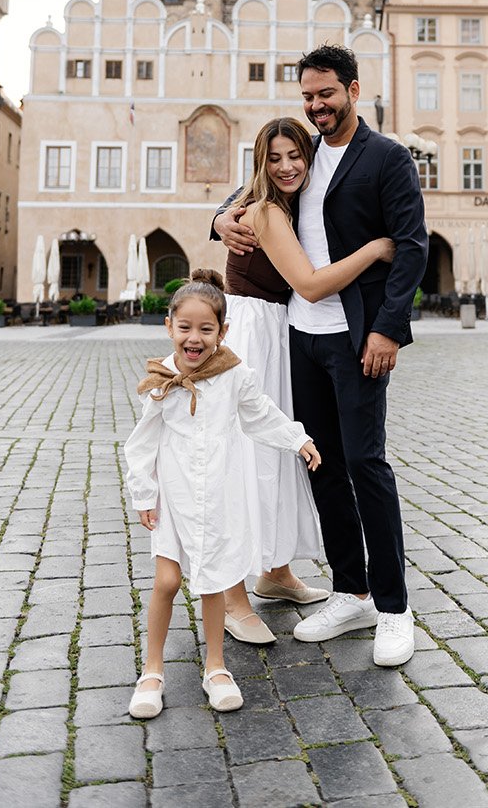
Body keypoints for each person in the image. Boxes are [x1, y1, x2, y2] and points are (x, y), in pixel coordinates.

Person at [215, 45, 428, 667]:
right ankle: (351, 591)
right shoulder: (302, 152)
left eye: (326, 94)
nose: (317, 106)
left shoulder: (387, 158)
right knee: (323, 468)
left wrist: (389, 330)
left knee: (367, 466)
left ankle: (392, 608)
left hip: (356, 337)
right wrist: (218, 217)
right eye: (308, 96)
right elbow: (250, 189)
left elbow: (411, 247)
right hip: (299, 338)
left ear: (353, 90)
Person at [222, 116, 396, 645]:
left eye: (294, 155)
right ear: (260, 163)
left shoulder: (302, 190)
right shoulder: (267, 209)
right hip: (255, 331)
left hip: (285, 329)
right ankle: (231, 597)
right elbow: (311, 283)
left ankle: (274, 575)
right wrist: (376, 249)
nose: (287, 165)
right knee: (244, 458)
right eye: (273, 159)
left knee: (283, 457)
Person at [123, 270, 320, 719]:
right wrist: (144, 495)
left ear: (222, 332)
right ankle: (152, 670)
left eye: (206, 329)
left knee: (213, 580)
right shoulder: (162, 380)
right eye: (185, 327)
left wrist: (297, 439)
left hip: (219, 496)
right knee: (168, 581)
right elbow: (142, 443)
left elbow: (261, 415)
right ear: (169, 326)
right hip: (174, 498)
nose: (194, 338)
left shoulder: (235, 375)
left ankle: (216, 667)